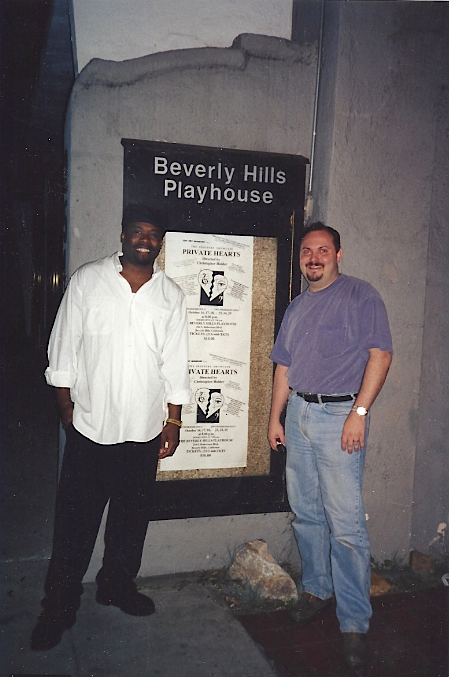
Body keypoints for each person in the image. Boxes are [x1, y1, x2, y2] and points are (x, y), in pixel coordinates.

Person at [31, 204, 192, 651]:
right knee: (75, 524)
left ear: (160, 242)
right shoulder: (88, 280)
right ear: (122, 237)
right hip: (91, 428)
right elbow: (63, 345)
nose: (145, 239)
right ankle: (58, 608)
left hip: (142, 430)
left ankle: (116, 586)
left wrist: (173, 420)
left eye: (153, 234)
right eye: (137, 231)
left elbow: (175, 363)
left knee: (130, 519)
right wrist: (66, 407)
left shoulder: (170, 295)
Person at [267, 222, 392, 668]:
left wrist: (358, 413)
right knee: (306, 512)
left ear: (339, 254)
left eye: (323, 250)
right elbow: (284, 365)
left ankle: (355, 622)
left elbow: (381, 354)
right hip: (299, 414)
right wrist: (274, 417)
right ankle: (318, 589)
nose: (314, 257)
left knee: (345, 525)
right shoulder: (297, 306)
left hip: (340, 417)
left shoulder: (361, 296)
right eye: (307, 251)